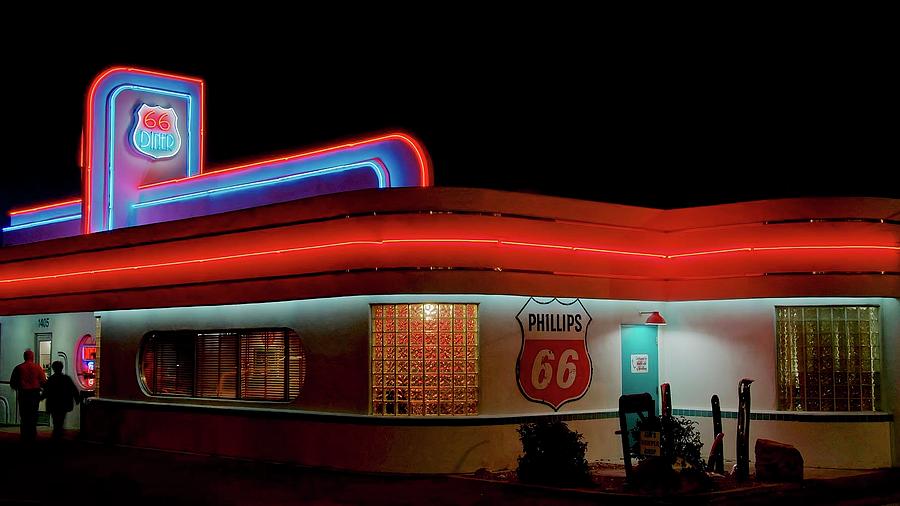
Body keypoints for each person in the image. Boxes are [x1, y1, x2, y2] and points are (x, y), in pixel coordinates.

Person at [9, 349, 47, 442]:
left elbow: (12, 383)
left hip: (23, 394)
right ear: (32, 357)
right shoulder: (37, 367)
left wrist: (19, 386)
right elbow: (43, 382)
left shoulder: (19, 368)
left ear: (24, 357)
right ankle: (32, 435)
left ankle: (24, 435)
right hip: (34, 394)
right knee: (33, 416)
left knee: (24, 416)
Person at [43, 361, 81, 440]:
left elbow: (46, 392)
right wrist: (77, 399)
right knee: (61, 419)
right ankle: (59, 433)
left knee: (55, 420)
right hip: (63, 404)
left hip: (53, 404)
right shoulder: (66, 378)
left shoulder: (51, 379)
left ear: (53, 368)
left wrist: (40, 398)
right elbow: (73, 389)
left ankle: (56, 434)